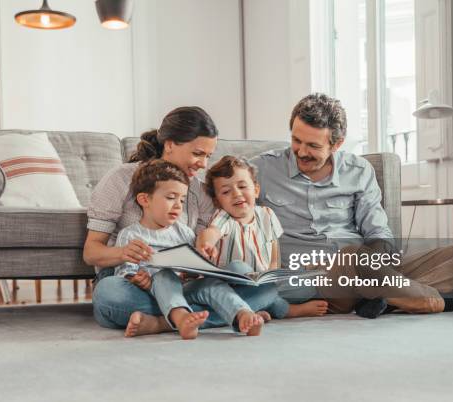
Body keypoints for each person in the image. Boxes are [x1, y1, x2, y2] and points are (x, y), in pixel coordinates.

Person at [247, 93, 453, 317]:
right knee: (353, 256)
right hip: (318, 279)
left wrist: (380, 262)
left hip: (369, 268)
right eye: (296, 140)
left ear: (336, 144)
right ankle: (435, 300)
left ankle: (387, 298)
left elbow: (377, 232)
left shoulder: (359, 171)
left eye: (313, 145)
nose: (301, 151)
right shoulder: (262, 169)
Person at [84, 106, 277, 332]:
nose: (203, 164)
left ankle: (161, 322)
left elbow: (197, 252)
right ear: (169, 145)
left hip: (185, 282)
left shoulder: (199, 191)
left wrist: (205, 253)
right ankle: (230, 311)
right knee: (109, 295)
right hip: (134, 281)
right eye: (197, 154)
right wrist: (123, 254)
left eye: (207, 156)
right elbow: (91, 252)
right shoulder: (121, 179)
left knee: (263, 284)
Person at [115, 159, 266, 339]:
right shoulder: (130, 235)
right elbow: (124, 272)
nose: (178, 205)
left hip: (186, 289)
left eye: (182, 199)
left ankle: (242, 315)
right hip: (154, 291)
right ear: (144, 199)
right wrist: (139, 279)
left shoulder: (184, 231)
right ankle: (182, 319)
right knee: (164, 275)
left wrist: (198, 269)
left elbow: (193, 267)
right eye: (171, 198)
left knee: (211, 284)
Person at [197, 155, 328, 320]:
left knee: (273, 293)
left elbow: (274, 252)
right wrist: (207, 243)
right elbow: (212, 231)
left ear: (256, 190)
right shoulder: (224, 217)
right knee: (239, 268)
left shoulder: (267, 215)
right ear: (217, 201)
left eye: (242, 186)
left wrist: (271, 275)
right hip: (231, 284)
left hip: (260, 283)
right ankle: (251, 309)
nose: (236, 194)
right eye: (226, 191)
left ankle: (281, 310)